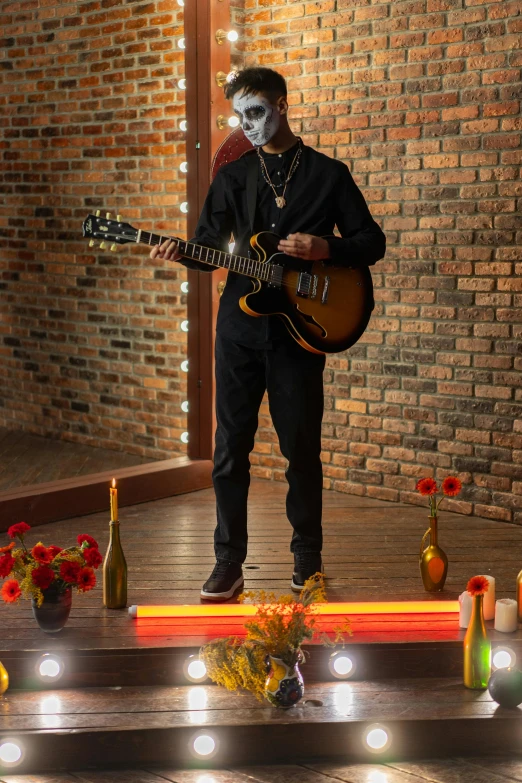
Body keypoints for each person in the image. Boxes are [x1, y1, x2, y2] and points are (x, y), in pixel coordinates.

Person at [150, 67, 386, 601]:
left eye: (255, 112)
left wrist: (326, 249)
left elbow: (372, 242)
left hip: (300, 334)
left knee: (300, 448)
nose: (248, 125)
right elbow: (209, 246)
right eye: (240, 116)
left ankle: (308, 559)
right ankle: (228, 563)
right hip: (238, 330)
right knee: (230, 449)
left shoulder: (328, 174)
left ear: (281, 105)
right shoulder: (233, 177)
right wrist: (181, 251)